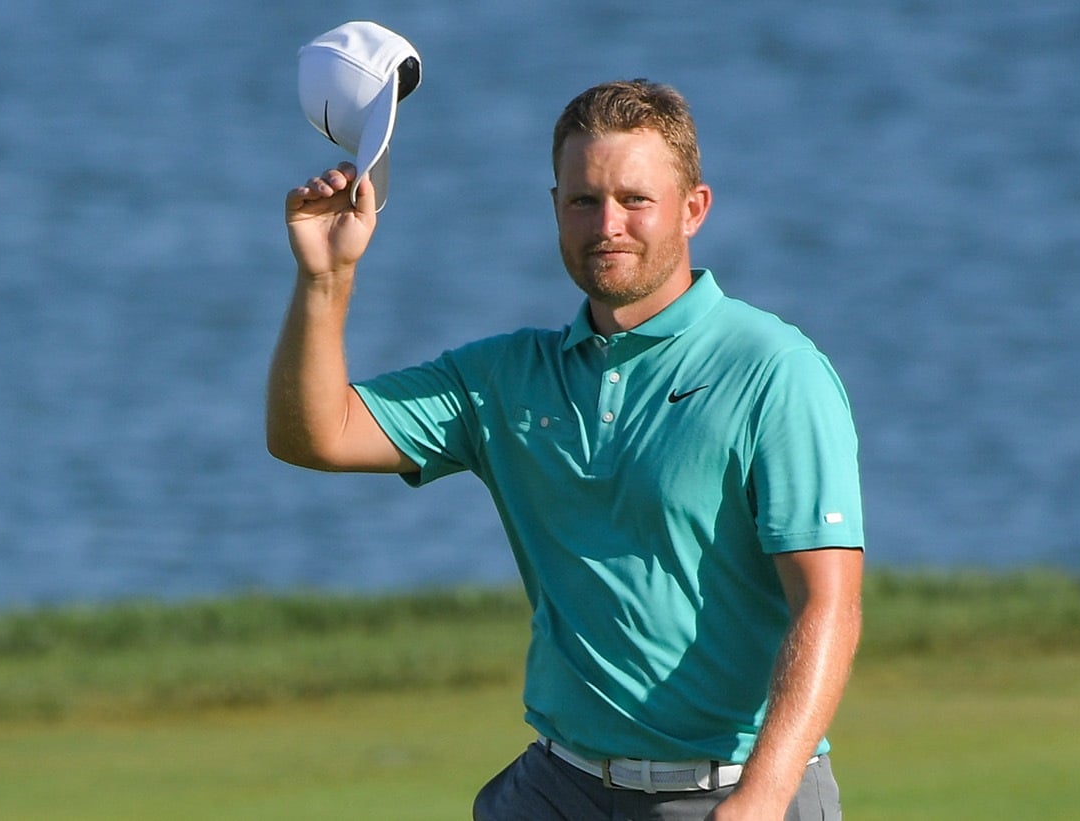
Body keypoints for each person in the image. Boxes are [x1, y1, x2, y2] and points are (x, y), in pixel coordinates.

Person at [267, 78, 864, 821]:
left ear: (693, 210)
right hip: (558, 786)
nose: (606, 224)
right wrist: (325, 278)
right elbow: (314, 434)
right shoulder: (505, 377)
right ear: (555, 208)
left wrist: (765, 794)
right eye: (583, 201)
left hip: (732, 790)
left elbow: (828, 604)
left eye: (634, 200)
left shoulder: (774, 371)